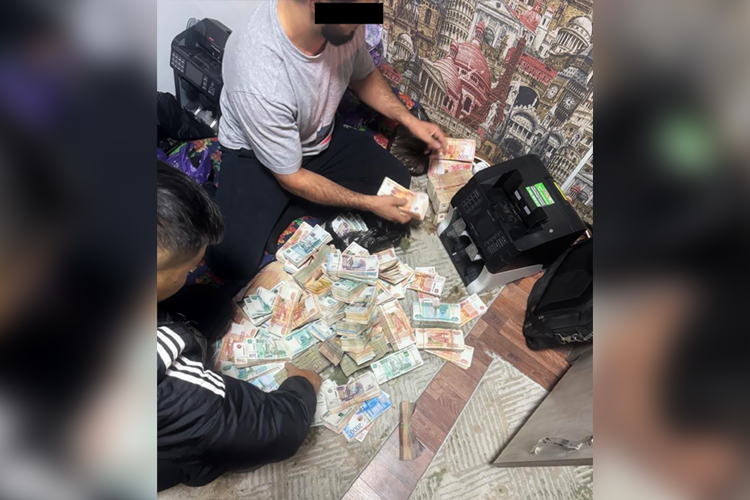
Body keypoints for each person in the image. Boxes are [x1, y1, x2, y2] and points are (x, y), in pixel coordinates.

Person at [206, 0, 447, 281]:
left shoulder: (343, 22)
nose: (364, 23)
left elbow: (364, 75)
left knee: (397, 180)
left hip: (318, 139)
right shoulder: (258, 73)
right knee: (230, 264)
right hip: (258, 157)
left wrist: (409, 121)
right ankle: (269, 201)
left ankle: (291, 205)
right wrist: (369, 203)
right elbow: (290, 176)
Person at [156, 161, 322, 491]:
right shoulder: (165, 390)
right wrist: (302, 388)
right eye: (188, 269)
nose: (193, 271)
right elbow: (277, 429)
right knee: (207, 450)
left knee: (213, 306)